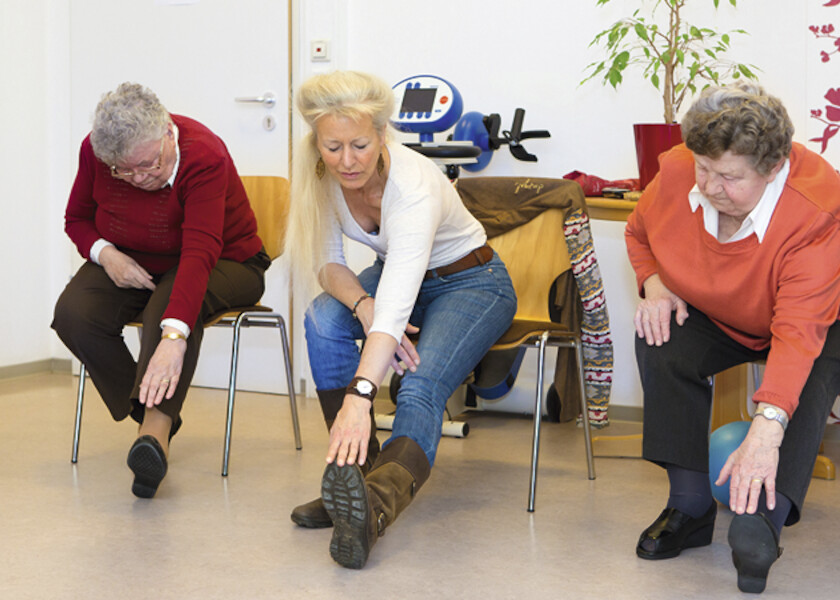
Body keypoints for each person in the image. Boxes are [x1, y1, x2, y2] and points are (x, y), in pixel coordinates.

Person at [625, 81, 840, 594]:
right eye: (703, 168)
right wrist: (655, 284)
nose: (708, 185)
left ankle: (762, 522)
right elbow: (639, 233)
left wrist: (765, 429)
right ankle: (689, 507)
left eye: (728, 176)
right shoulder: (679, 170)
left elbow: (798, 334)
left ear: (773, 168)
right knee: (663, 338)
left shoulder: (814, 211)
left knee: (810, 370)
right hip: (742, 312)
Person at [286, 70, 517, 569]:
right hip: (395, 282)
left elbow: (396, 305)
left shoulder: (413, 186)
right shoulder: (320, 176)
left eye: (360, 145)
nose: (347, 161)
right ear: (316, 142)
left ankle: (373, 508)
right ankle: (352, 480)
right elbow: (329, 265)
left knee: (418, 383)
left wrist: (362, 392)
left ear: (383, 134)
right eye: (333, 147)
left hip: (472, 282)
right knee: (323, 319)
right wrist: (364, 309)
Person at [52, 83, 270, 499]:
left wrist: (174, 337)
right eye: (123, 170)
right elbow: (77, 218)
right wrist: (106, 254)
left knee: (168, 310)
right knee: (75, 314)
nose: (137, 178)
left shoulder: (204, 154)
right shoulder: (97, 151)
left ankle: (155, 433)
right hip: (134, 258)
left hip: (228, 260)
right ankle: (152, 412)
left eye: (147, 165)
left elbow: (200, 251)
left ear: (168, 133)